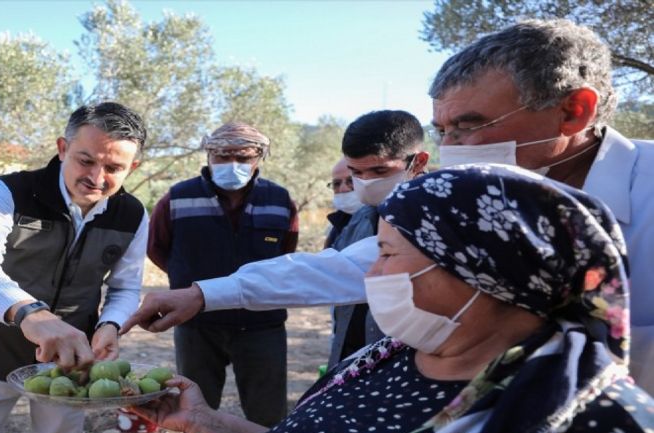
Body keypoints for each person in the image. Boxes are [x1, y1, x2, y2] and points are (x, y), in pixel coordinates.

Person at [123, 19, 654, 395]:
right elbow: (351, 266)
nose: (452, 149)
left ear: (573, 110)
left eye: (470, 127)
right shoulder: (462, 195)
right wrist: (203, 294)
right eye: (444, 130)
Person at [133, 165, 654, 433]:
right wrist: (200, 420)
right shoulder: (386, 360)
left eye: (383, 253)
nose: (371, 274)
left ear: (483, 272)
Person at [0, 102, 148, 433]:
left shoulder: (133, 215)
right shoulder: (11, 191)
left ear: (132, 167)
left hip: (71, 361)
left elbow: (125, 287)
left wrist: (111, 325)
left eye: (114, 168)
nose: (96, 177)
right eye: (85, 160)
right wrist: (30, 314)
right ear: (62, 148)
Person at [146, 121, 298, 433]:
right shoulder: (178, 198)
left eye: (242, 156)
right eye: (222, 155)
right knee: (194, 410)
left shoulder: (279, 200)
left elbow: (286, 252)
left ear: (259, 157)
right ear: (208, 155)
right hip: (198, 326)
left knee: (268, 414)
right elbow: (157, 248)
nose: (231, 163)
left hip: (262, 326)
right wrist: (190, 283)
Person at [326, 111, 428, 369]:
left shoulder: (438, 217)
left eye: (379, 170)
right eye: (356, 173)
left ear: (417, 162)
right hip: (351, 359)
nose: (366, 182)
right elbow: (333, 273)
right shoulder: (359, 217)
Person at [324, 158, 358, 249]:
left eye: (351, 181)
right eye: (337, 183)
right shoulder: (336, 223)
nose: (343, 189)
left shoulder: (387, 221)